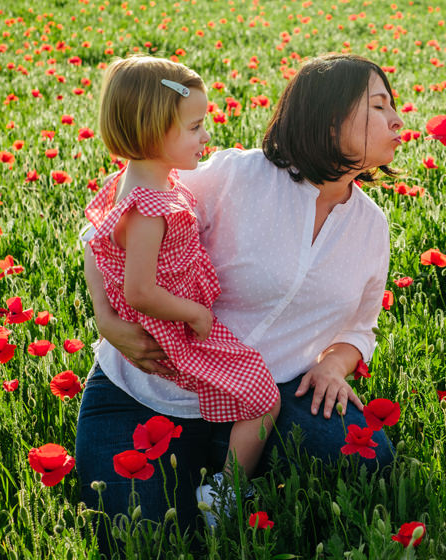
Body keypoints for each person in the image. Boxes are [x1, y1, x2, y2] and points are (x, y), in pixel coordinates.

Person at [77, 53, 401, 548]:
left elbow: (360, 326)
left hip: (261, 403)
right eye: (379, 106)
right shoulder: (239, 177)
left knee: (370, 459)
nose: (398, 120)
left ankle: (231, 483)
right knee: (146, 543)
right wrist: (106, 319)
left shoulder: (371, 227)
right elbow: (112, 224)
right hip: (144, 393)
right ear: (330, 118)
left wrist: (335, 364)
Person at [84, 56, 281, 521]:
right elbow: (138, 291)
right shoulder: (151, 208)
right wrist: (193, 314)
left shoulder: (129, 183)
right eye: (195, 128)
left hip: (168, 322)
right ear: (154, 132)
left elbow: (93, 242)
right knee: (262, 395)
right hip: (175, 330)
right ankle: (226, 492)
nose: (206, 136)